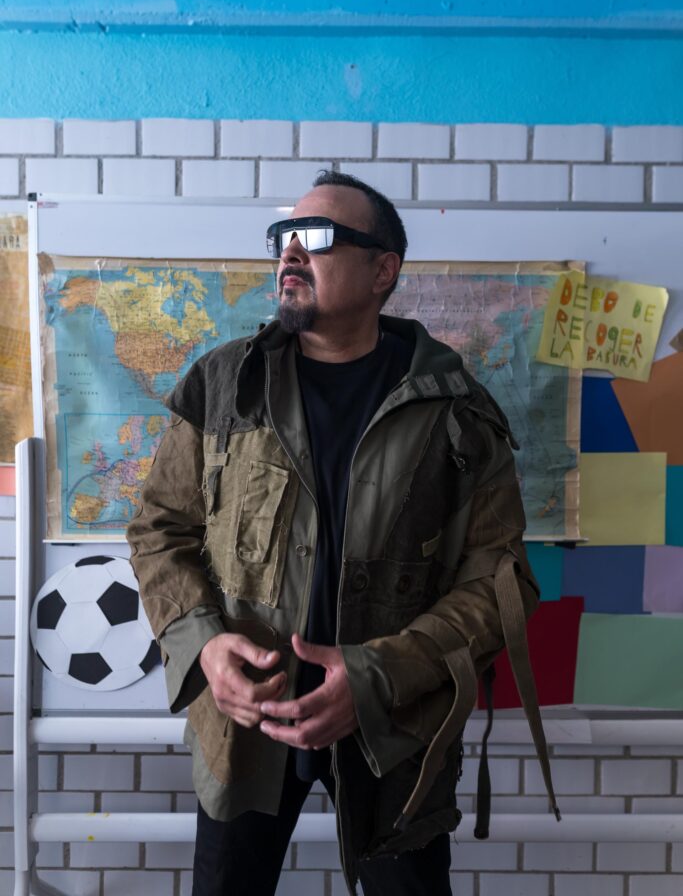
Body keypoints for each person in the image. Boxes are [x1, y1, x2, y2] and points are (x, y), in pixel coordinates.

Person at [127, 170, 558, 896]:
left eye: (317, 237)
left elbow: (499, 583)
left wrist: (376, 677)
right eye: (284, 237)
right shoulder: (225, 385)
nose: (290, 252)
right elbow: (157, 529)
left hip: (396, 732)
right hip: (244, 722)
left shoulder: (455, 409)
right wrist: (202, 645)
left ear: (382, 270)